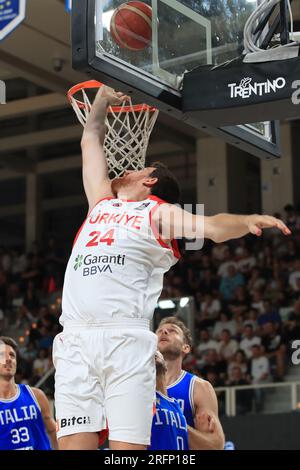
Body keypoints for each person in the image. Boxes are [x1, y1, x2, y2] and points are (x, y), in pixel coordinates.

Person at [53, 85, 291, 451]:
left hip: (125, 342)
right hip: (74, 341)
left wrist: (247, 220)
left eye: (137, 168)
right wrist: (100, 101)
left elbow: (211, 227)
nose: (126, 168)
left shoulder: (158, 212)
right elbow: (90, 139)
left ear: (149, 182)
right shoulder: (99, 203)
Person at [157, 316, 225, 449]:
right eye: (160, 331)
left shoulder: (199, 387)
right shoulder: (138, 384)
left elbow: (216, 445)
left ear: (185, 347)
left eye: (172, 330)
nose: (164, 332)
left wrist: (174, 421)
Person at [0, 336, 57, 450]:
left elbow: (53, 431)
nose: (8, 359)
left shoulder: (36, 395)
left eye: (12, 355)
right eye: (2, 355)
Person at [149, 351, 188, 450]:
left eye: (157, 353)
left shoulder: (176, 405)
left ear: (166, 367)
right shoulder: (144, 399)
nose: (154, 353)